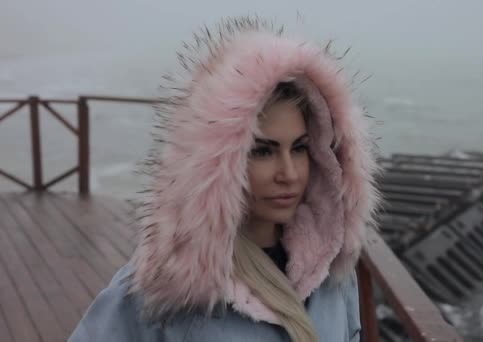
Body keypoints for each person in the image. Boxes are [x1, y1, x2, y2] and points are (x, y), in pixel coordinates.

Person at [69, 16, 381, 342]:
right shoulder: (168, 286)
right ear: (218, 163)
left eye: (300, 148)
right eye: (263, 151)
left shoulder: (330, 272)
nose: (289, 174)